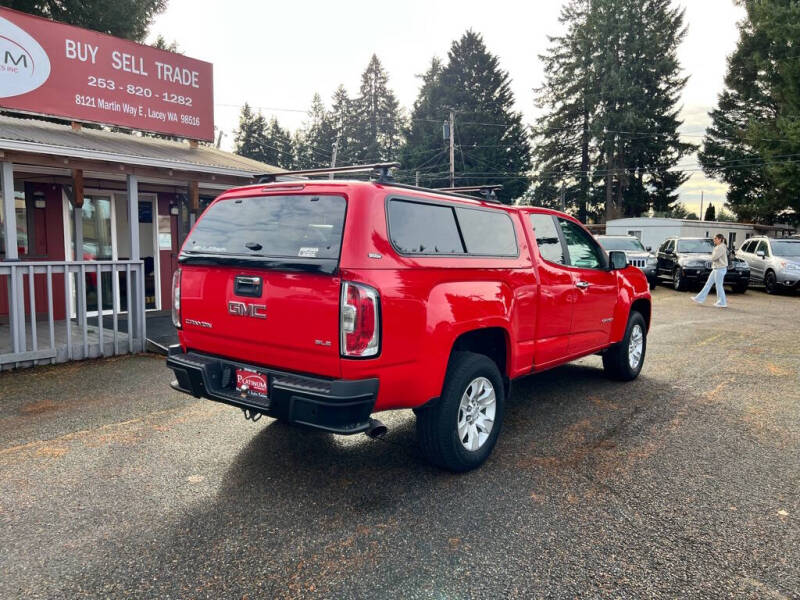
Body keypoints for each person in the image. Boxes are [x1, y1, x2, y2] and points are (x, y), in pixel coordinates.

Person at [692, 234, 728, 308]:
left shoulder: (721, 247)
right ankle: (699, 299)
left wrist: (711, 256)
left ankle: (722, 302)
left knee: (719, 286)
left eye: (715, 238)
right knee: (708, 284)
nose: (714, 240)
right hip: (716, 268)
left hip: (720, 269)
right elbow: (714, 257)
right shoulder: (718, 247)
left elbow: (714, 258)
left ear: (720, 239)